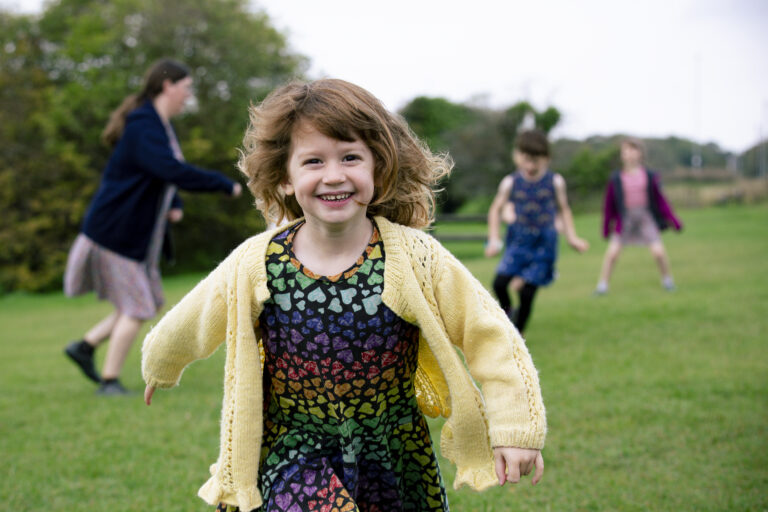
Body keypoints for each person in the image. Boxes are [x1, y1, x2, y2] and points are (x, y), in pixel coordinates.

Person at [142, 79, 546, 512]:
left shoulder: (413, 256)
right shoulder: (259, 262)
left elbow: (491, 334)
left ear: (379, 167)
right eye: (313, 161)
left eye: (350, 157)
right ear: (284, 177)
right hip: (293, 448)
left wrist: (515, 429)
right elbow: (197, 316)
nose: (334, 175)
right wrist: (160, 361)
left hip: (391, 456)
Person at [63, 59, 242, 395]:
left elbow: (156, 174)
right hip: (115, 232)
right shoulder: (144, 125)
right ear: (167, 86)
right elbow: (168, 169)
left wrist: (173, 205)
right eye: (186, 88)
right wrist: (222, 183)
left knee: (145, 302)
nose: (188, 96)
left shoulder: (157, 125)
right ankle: (109, 380)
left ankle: (85, 346)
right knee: (138, 306)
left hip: (133, 235)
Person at [485, 130, 589, 334]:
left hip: (544, 244)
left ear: (547, 159)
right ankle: (508, 316)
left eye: (537, 161)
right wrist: (494, 239)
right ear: (517, 156)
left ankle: (518, 334)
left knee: (527, 293)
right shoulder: (510, 182)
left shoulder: (555, 182)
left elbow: (564, 209)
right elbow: (495, 209)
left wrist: (572, 237)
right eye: (526, 160)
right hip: (518, 241)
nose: (531, 167)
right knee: (499, 283)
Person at [594, 137, 682, 295]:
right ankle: (602, 286)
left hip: (645, 217)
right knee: (612, 254)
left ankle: (668, 281)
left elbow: (661, 200)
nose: (629, 154)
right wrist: (606, 227)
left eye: (633, 149)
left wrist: (673, 220)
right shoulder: (615, 178)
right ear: (622, 155)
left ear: (640, 154)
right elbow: (608, 206)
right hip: (625, 219)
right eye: (626, 150)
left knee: (659, 252)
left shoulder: (649, 176)